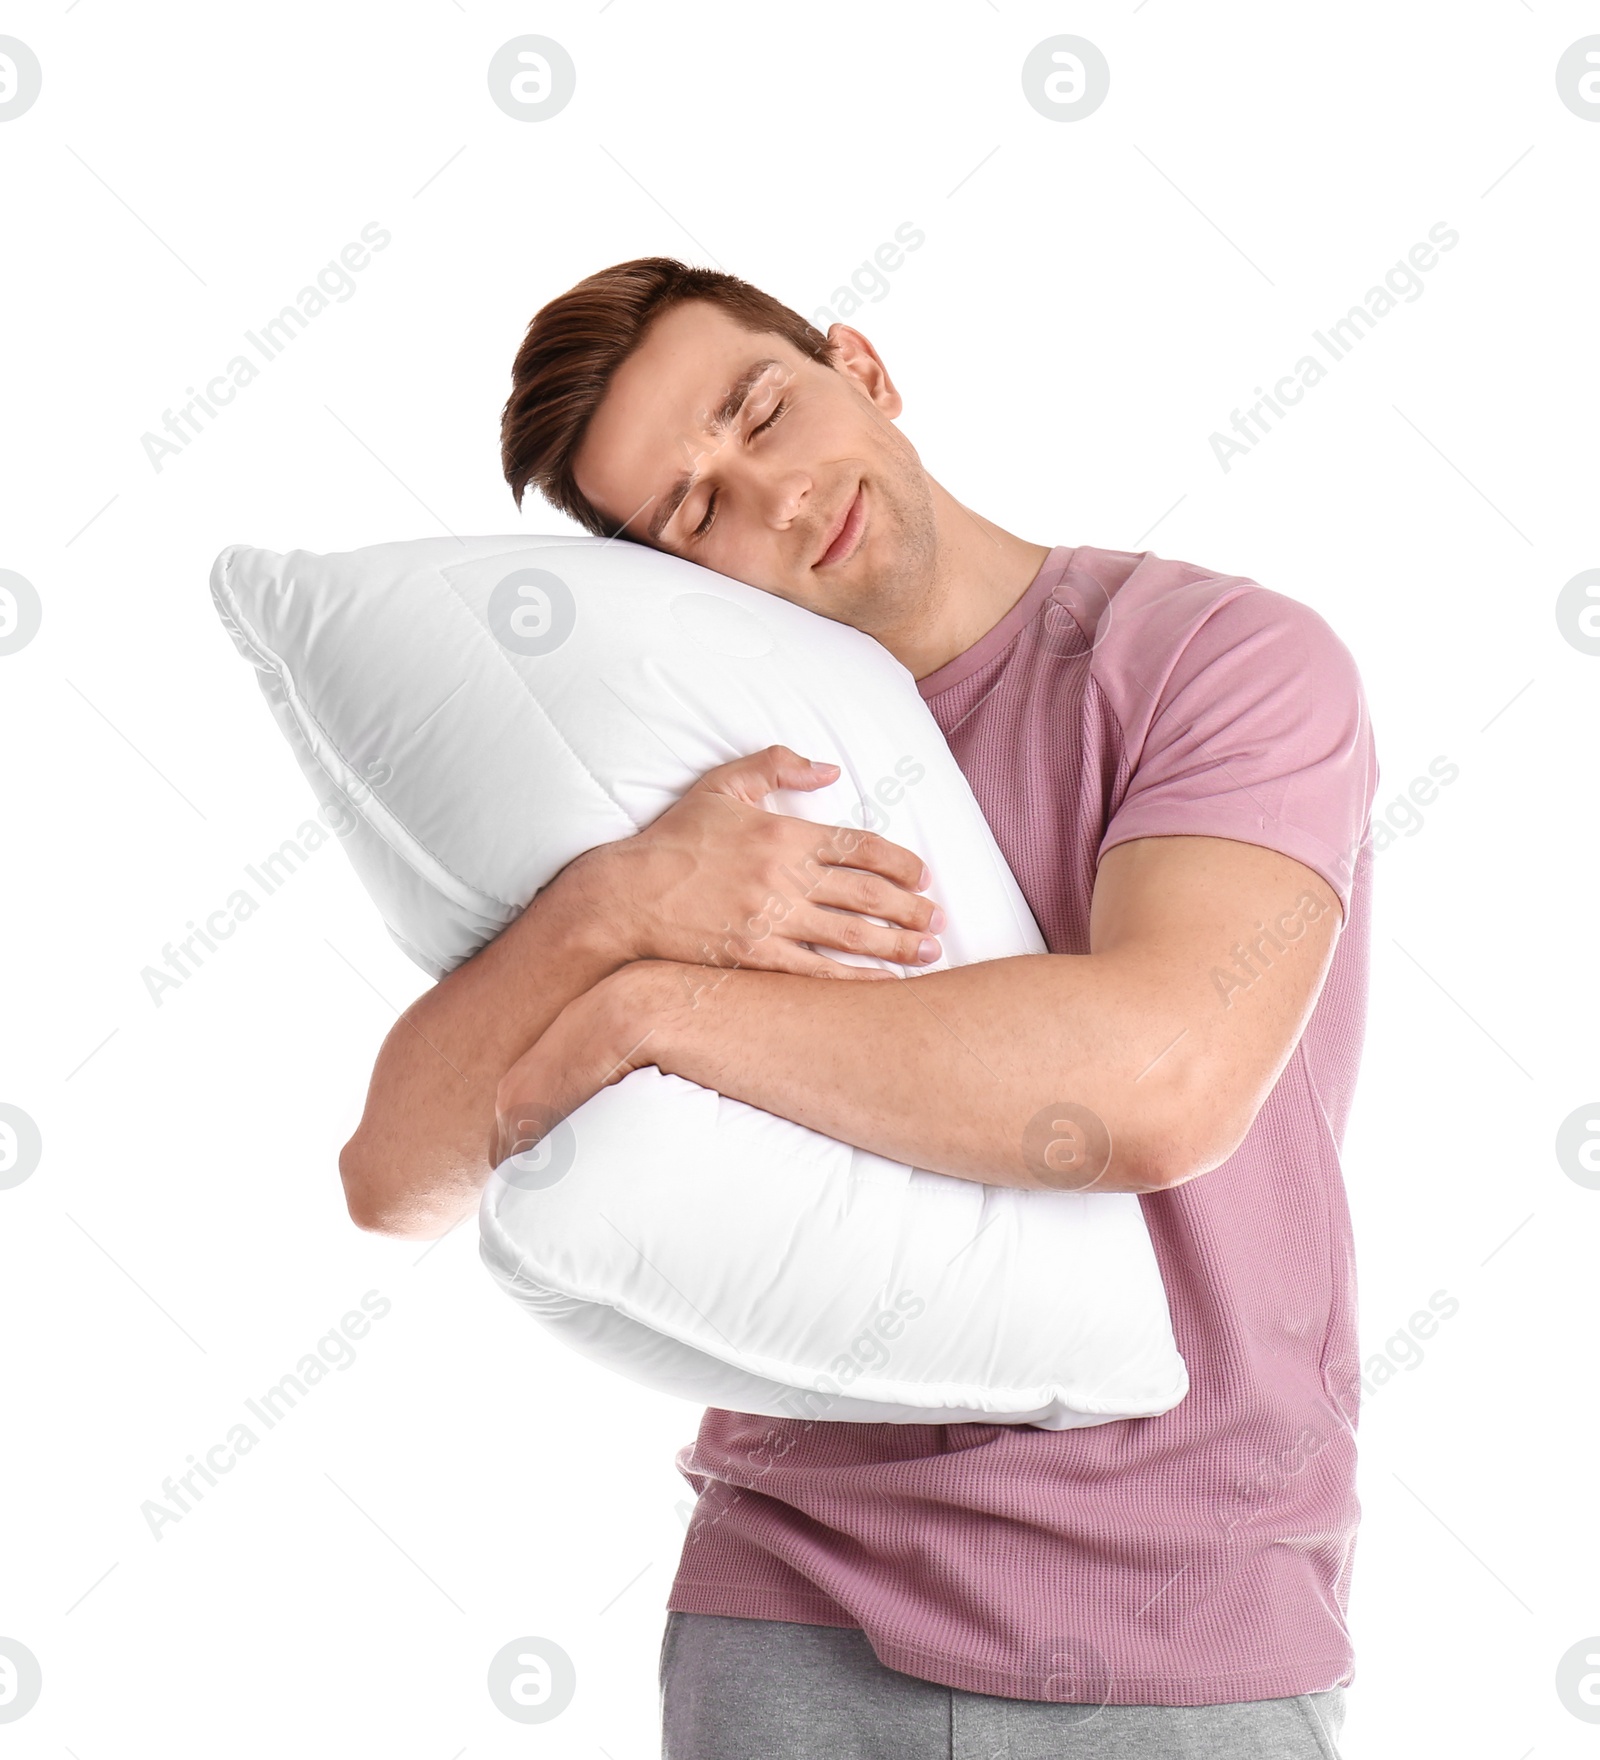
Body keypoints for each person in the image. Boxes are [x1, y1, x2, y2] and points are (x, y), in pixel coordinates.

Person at [339, 258, 1377, 1759]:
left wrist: (647, 1010)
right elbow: (394, 1173)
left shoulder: (1212, 664)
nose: (765, 495)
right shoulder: (691, 785)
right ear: (664, 578)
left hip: (1187, 1618)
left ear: (860, 366)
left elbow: (1152, 1086)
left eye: (761, 411)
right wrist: (618, 903)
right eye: (692, 512)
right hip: (793, 1616)